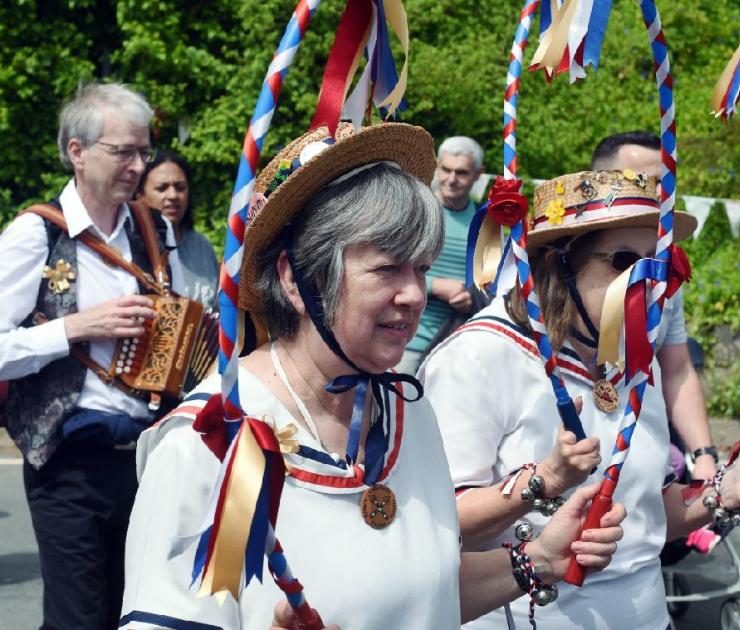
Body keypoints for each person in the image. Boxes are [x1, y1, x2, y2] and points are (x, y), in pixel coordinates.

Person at [120, 123, 626, 629]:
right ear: (296, 279)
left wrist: (539, 560)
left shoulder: (407, 410)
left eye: (422, 269)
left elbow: (422, 594)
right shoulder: (223, 443)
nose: (414, 295)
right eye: (388, 269)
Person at [421, 169, 740, 629]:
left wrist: (722, 492)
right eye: (625, 260)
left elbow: (648, 519)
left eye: (658, 262)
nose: (647, 281)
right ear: (557, 265)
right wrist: (542, 481)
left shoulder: (634, 362)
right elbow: (439, 525)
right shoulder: (478, 356)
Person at [0, 83, 182, 629]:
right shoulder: (36, 232)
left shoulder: (154, 228)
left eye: (143, 151)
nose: (138, 164)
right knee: (78, 620)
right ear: (77, 152)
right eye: (123, 151)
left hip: (148, 457)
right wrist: (73, 328)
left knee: (135, 614)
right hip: (67, 460)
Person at [591, 131, 716, 481]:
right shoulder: (555, 276)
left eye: (664, 185)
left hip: (643, 449)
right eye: (642, 182)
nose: (657, 195)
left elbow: (676, 368)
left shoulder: (664, 274)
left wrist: (703, 455)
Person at [397, 136, 484, 374]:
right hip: (404, 341)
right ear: (436, 166)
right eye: (446, 170)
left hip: (456, 347)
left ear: (478, 174)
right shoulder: (413, 210)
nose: (451, 179)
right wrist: (434, 285)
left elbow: (493, 285)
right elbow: (386, 263)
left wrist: (472, 297)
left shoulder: (484, 224)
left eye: (462, 172)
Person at [136, 149, 220, 311]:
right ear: (140, 195)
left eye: (180, 188)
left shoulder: (201, 246)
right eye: (162, 188)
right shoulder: (133, 247)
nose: (173, 195)